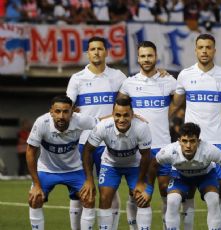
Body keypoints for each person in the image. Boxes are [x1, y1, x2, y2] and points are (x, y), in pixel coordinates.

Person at [170, 33, 221, 230]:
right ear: (195, 50)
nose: (204, 50)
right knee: (188, 189)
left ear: (214, 50)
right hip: (191, 142)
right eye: (201, 47)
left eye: (208, 47)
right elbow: (174, 107)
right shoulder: (185, 75)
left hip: (218, 141)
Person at [134, 122, 221, 230]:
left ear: (198, 141)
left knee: (213, 199)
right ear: (179, 141)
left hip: (205, 176)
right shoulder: (170, 151)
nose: (188, 145)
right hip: (181, 176)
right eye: (185, 141)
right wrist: (149, 189)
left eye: (192, 141)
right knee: (172, 201)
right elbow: (153, 165)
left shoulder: (209, 150)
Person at [66, 36, 127, 230]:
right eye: (92, 49)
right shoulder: (77, 78)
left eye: (100, 48)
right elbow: (67, 108)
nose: (96, 52)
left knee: (109, 191)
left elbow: (130, 102)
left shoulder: (118, 76)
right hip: (82, 142)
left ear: (106, 51)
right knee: (79, 191)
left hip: (109, 143)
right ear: (87, 53)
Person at [117, 40, 177, 229]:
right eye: (143, 56)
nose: (146, 59)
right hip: (138, 148)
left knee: (165, 190)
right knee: (136, 192)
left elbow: (181, 100)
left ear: (156, 56)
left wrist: (171, 112)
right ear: (138, 58)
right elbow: (118, 110)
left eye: (150, 55)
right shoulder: (129, 83)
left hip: (164, 146)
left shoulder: (168, 80)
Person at [79, 97, 152, 230]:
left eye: (126, 115)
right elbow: (87, 151)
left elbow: (146, 156)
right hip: (110, 165)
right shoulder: (102, 126)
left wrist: (141, 181)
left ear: (132, 115)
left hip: (134, 166)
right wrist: (89, 179)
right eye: (117, 115)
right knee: (105, 197)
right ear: (113, 114)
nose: (121, 119)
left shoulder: (141, 127)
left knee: (142, 197)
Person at [26, 95, 97, 230]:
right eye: (57, 111)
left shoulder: (81, 120)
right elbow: (30, 152)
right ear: (51, 112)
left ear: (73, 112)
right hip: (47, 170)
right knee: (35, 199)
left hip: (74, 169)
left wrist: (131, 118)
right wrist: (36, 184)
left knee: (89, 198)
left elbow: (103, 122)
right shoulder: (41, 123)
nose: (61, 116)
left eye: (66, 111)